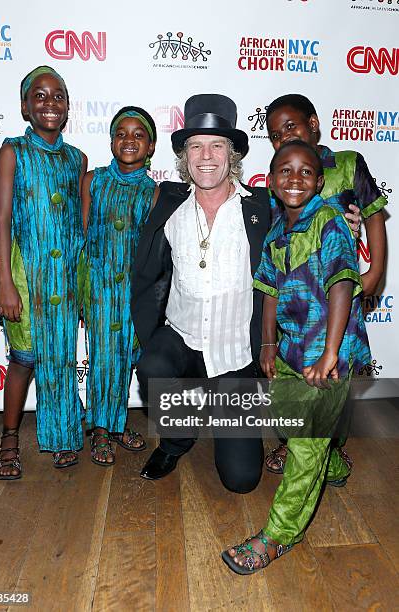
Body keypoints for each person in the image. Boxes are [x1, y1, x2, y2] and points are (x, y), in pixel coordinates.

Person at [222, 140, 371, 575]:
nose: (295, 179)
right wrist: (267, 345)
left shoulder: (328, 223)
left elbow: (343, 283)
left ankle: (278, 534)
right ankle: (335, 463)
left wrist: (330, 353)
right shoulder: (276, 229)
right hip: (289, 350)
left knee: (305, 446)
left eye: (306, 172)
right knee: (293, 423)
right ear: (271, 180)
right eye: (285, 171)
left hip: (327, 353)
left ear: (320, 181)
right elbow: (267, 289)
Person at [131, 94, 270, 491]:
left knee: (241, 481)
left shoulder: (261, 208)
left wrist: (344, 217)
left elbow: (308, 202)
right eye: (196, 146)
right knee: (154, 365)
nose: (205, 156)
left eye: (217, 145)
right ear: (184, 156)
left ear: (233, 154)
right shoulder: (168, 203)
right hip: (182, 342)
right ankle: (178, 438)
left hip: (235, 355)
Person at [264, 93, 387, 475]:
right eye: (274, 135)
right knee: (297, 374)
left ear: (313, 123)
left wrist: (374, 273)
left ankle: (327, 448)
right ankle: (300, 445)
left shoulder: (348, 163)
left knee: (336, 371)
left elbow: (373, 218)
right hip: (300, 300)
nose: (283, 137)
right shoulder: (284, 176)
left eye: (290, 127)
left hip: (340, 292)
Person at [0, 66, 87, 479]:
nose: (50, 103)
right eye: (41, 96)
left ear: (68, 107)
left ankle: (65, 433)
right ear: (25, 106)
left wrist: (83, 284)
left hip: (65, 279)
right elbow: (2, 222)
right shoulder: (12, 151)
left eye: (58, 96)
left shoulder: (77, 159)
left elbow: (81, 227)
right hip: (27, 277)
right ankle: (9, 439)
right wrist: (5, 284)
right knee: (25, 358)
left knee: (63, 359)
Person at [81, 107, 159, 465]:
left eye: (138, 135)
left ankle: (116, 423)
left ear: (151, 146)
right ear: (112, 140)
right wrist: (82, 291)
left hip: (132, 290)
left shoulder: (153, 191)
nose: (129, 140)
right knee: (101, 359)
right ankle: (100, 430)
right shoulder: (93, 180)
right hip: (98, 287)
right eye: (121, 133)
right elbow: (81, 236)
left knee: (126, 359)